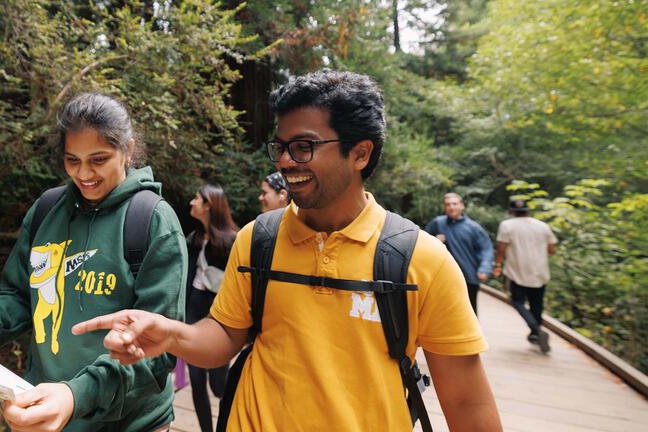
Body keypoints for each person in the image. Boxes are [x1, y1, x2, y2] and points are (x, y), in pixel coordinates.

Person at [73, 70, 502, 431]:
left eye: (304, 147)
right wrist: (171, 334)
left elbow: (466, 403)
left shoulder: (420, 260)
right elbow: (225, 336)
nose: (283, 162)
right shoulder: (258, 239)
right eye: (280, 147)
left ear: (360, 153)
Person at [0, 93, 187, 432]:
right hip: (42, 412)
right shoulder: (48, 211)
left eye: (98, 159)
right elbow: (21, 298)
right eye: (72, 160)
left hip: (128, 423)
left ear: (127, 149)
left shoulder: (151, 221)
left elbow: (159, 349)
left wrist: (75, 395)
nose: (84, 174)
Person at [185, 183, 238, 432]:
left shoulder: (231, 242)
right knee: (196, 380)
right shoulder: (193, 239)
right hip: (193, 312)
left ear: (208, 204)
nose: (192, 203)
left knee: (219, 385)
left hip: (218, 317)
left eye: (196, 198)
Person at [493, 199, 557, 354]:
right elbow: (551, 250)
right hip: (540, 273)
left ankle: (536, 330)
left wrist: (497, 265)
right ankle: (536, 334)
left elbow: (502, 248)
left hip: (517, 272)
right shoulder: (543, 226)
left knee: (517, 301)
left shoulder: (507, 225)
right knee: (537, 305)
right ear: (528, 211)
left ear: (511, 211)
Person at [425, 192, 494, 315]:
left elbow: (486, 249)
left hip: (469, 276)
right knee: (444, 310)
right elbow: (423, 242)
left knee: (470, 312)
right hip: (444, 277)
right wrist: (435, 241)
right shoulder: (438, 223)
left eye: (455, 204)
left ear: (462, 205)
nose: (451, 207)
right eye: (448, 204)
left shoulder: (473, 227)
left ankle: (473, 335)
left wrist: (484, 269)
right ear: (444, 207)